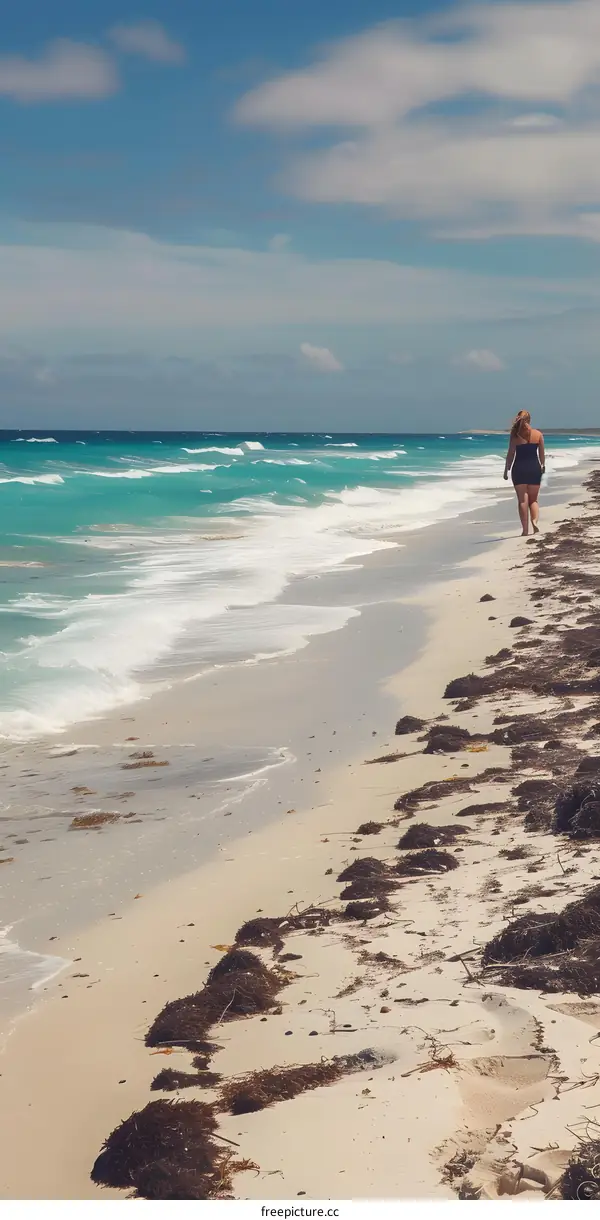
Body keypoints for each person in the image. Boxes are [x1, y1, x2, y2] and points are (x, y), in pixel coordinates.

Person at [503, 410, 545, 536]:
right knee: (533, 500)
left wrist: (506, 470)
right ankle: (535, 522)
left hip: (519, 469)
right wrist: (543, 466)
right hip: (534, 468)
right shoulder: (538, 434)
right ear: (530, 419)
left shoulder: (515, 436)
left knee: (522, 501)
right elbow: (541, 454)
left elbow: (510, 454)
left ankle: (525, 530)